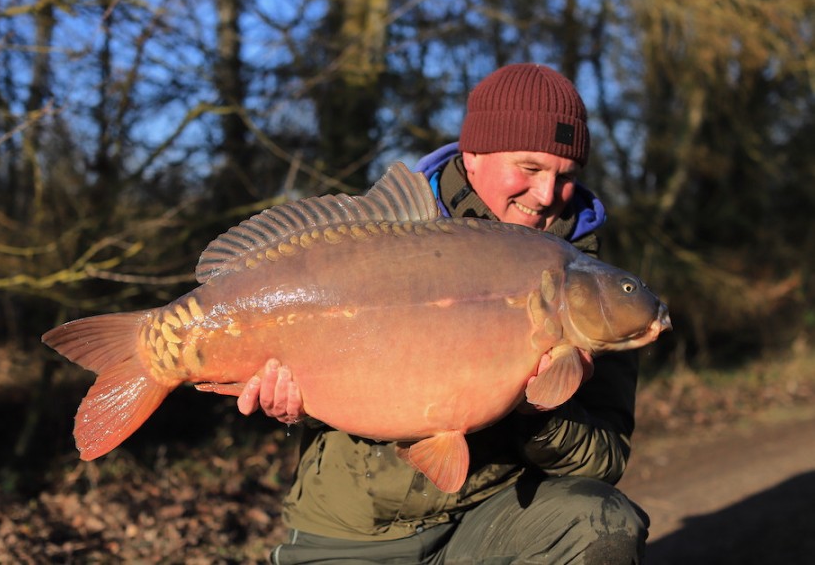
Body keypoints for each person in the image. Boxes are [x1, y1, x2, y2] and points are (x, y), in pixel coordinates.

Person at [238, 63, 649, 564]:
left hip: (490, 520)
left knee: (599, 522)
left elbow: (604, 459)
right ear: (472, 156)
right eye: (530, 168)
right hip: (354, 528)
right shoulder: (382, 236)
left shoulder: (588, 289)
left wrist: (539, 411)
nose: (546, 196)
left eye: (566, 176)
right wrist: (298, 406)